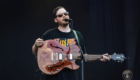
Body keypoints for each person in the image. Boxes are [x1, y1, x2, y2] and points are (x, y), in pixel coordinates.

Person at [32, 6, 110, 80]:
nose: (64, 16)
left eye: (65, 14)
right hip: (53, 76)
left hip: (71, 76)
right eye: (60, 15)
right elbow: (35, 52)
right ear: (55, 20)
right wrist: (36, 45)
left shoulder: (77, 35)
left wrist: (100, 57)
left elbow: (84, 56)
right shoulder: (49, 34)